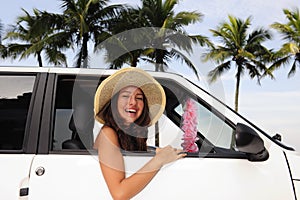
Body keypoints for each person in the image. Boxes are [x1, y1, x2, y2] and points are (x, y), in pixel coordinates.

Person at [93, 67, 186, 200]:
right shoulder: (107, 134)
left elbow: (126, 153)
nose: (133, 102)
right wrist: (159, 160)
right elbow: (119, 194)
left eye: (139, 98)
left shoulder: (130, 135)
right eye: (125, 96)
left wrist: (155, 151)